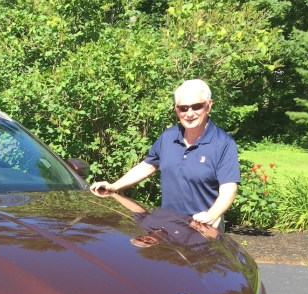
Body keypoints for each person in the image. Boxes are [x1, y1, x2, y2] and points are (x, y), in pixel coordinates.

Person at [90, 79, 239, 231]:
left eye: (196, 106)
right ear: (176, 109)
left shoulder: (223, 143)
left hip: (204, 227)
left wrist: (212, 215)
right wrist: (114, 186)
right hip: (168, 224)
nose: (189, 113)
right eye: (183, 108)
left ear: (208, 106)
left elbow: (229, 188)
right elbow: (148, 166)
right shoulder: (169, 136)